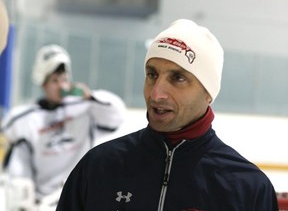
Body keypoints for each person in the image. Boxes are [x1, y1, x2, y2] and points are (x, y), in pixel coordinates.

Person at [56, 19, 279, 210]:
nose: (157, 93)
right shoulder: (98, 168)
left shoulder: (248, 188)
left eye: (178, 78)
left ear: (208, 92)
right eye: (152, 75)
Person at [1, 44, 126, 203]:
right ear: (43, 83)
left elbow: (117, 112)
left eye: (64, 80)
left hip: (81, 196)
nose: (61, 85)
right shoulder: (25, 119)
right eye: (54, 81)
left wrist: (90, 96)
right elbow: (14, 155)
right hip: (44, 201)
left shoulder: (85, 108)